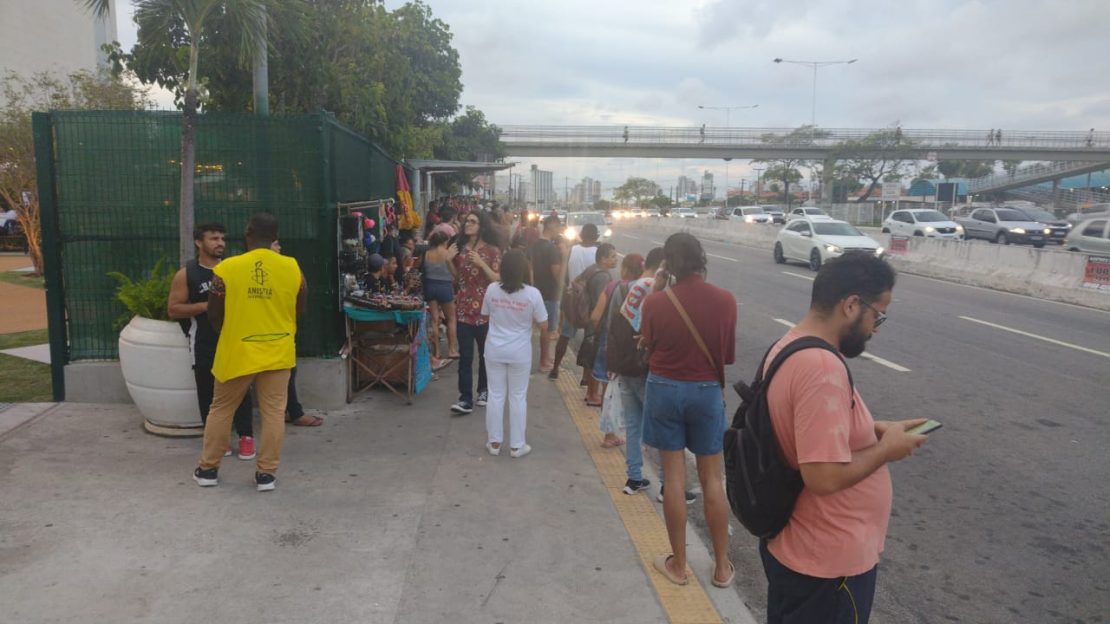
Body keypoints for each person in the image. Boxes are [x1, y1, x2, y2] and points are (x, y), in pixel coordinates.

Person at [759, 253, 927, 624]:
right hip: (828, 567)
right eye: (877, 315)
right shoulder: (821, 368)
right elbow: (823, 477)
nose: (876, 328)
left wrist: (868, 429)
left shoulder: (790, 343)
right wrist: (887, 449)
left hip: (801, 549)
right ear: (851, 305)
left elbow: (803, 426)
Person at [641, 233, 735, 588]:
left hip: (664, 388)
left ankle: (678, 566)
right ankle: (722, 567)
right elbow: (725, 357)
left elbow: (646, 341)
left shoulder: (657, 302)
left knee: (674, 479)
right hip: (706, 390)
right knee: (712, 478)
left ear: (667, 263)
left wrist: (658, 286)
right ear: (702, 260)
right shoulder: (725, 300)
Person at [193, 213, 306, 492]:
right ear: (274, 237)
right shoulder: (292, 266)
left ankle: (208, 470)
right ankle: (266, 474)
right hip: (278, 349)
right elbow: (300, 306)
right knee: (273, 413)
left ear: (248, 231)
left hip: (239, 349)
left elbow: (214, 313)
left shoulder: (227, 268)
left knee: (220, 409)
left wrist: (231, 332)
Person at [167, 223, 255, 459]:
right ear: (199, 242)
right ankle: (219, 440)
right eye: (214, 238)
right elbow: (174, 309)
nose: (221, 243)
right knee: (207, 392)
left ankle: (246, 436)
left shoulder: (233, 268)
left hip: (235, 339)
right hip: (204, 341)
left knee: (242, 389)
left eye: (223, 238)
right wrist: (209, 305)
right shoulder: (188, 273)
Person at [480, 250, 547, 459]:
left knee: (495, 395)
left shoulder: (491, 289)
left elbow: (485, 314)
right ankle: (517, 446)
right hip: (520, 352)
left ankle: (494, 442)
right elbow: (544, 324)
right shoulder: (533, 294)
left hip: (494, 350)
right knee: (518, 397)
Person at [450, 211, 502, 415]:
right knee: (465, 356)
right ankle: (465, 399)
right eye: (466, 221)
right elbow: (458, 280)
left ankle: (484, 390)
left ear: (482, 226)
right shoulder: (460, 250)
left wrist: (481, 263)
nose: (468, 224)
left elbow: (497, 278)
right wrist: (448, 261)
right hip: (463, 309)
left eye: (473, 221)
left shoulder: (492, 251)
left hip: (485, 310)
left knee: (485, 354)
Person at [592, 253, 641, 448]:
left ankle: (609, 434)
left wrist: (601, 335)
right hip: (634, 347)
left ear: (624, 269)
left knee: (609, 390)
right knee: (632, 393)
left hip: (610, 343)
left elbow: (596, 316)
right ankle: (629, 434)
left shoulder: (613, 286)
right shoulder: (645, 290)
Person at [549, 223, 601, 380]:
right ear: (597, 237)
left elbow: (563, 275)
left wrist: (566, 290)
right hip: (591, 303)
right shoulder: (599, 253)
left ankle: (555, 368)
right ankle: (586, 377)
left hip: (573, 300)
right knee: (589, 339)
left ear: (581, 235)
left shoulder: (572, 250)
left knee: (565, 336)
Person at [580, 243, 618, 408]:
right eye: (612, 256)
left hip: (588, 318)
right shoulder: (604, 277)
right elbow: (602, 303)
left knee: (590, 357)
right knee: (596, 360)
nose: (616, 259)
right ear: (603, 259)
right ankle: (593, 394)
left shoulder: (591, 269)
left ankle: (590, 392)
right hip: (597, 322)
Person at [527, 215, 565, 372]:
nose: (560, 230)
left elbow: (530, 267)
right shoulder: (552, 249)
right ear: (550, 226)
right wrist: (564, 256)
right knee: (548, 330)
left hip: (537, 290)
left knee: (542, 327)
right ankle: (544, 362)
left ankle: (546, 358)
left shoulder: (535, 245)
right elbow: (558, 275)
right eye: (558, 226)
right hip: (550, 293)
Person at [423, 231, 460, 369]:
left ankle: (437, 352)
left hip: (430, 286)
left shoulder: (427, 254)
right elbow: (456, 275)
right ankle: (451, 350)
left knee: (434, 319)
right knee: (451, 319)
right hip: (445, 287)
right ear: (445, 241)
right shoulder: (447, 254)